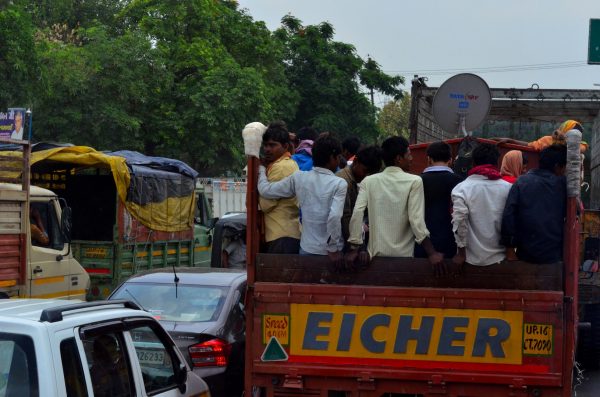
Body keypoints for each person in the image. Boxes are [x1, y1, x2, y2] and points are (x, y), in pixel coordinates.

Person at [345, 136, 444, 274]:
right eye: (409, 154)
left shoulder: (369, 181)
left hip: (374, 260)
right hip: (403, 260)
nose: (411, 158)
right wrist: (432, 253)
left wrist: (355, 247)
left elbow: (357, 213)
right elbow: (416, 220)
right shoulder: (414, 181)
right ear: (399, 158)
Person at [258, 136, 347, 266]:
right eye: (338, 157)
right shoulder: (339, 184)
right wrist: (333, 248)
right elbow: (334, 217)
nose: (339, 161)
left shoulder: (299, 178)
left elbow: (266, 190)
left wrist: (261, 170)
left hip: (307, 249)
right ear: (332, 158)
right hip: (330, 254)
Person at [501, 145, 567, 264]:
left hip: (525, 252)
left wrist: (510, 250)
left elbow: (509, 216)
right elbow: (575, 213)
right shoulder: (562, 184)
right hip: (554, 254)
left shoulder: (521, 182)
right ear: (557, 167)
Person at [451, 143, 512, 267]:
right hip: (501, 259)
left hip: (469, 260)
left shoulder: (461, 189)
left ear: (473, 163)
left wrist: (461, 254)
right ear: (497, 163)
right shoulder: (509, 188)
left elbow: (459, 221)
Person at [414, 141, 463, 259]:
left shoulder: (417, 181)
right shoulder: (460, 182)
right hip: (452, 245)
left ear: (429, 159)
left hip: (423, 245)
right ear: (450, 160)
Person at [259, 121, 301, 253]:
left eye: (272, 145)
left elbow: (266, 205)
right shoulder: (287, 163)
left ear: (285, 146)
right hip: (286, 233)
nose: (267, 149)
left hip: (281, 236)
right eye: (265, 145)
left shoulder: (281, 167)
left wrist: (260, 171)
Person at [336, 145, 382, 249]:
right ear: (355, 161)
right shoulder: (343, 181)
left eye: (370, 174)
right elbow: (345, 217)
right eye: (365, 171)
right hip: (341, 243)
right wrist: (354, 248)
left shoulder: (358, 180)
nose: (366, 176)